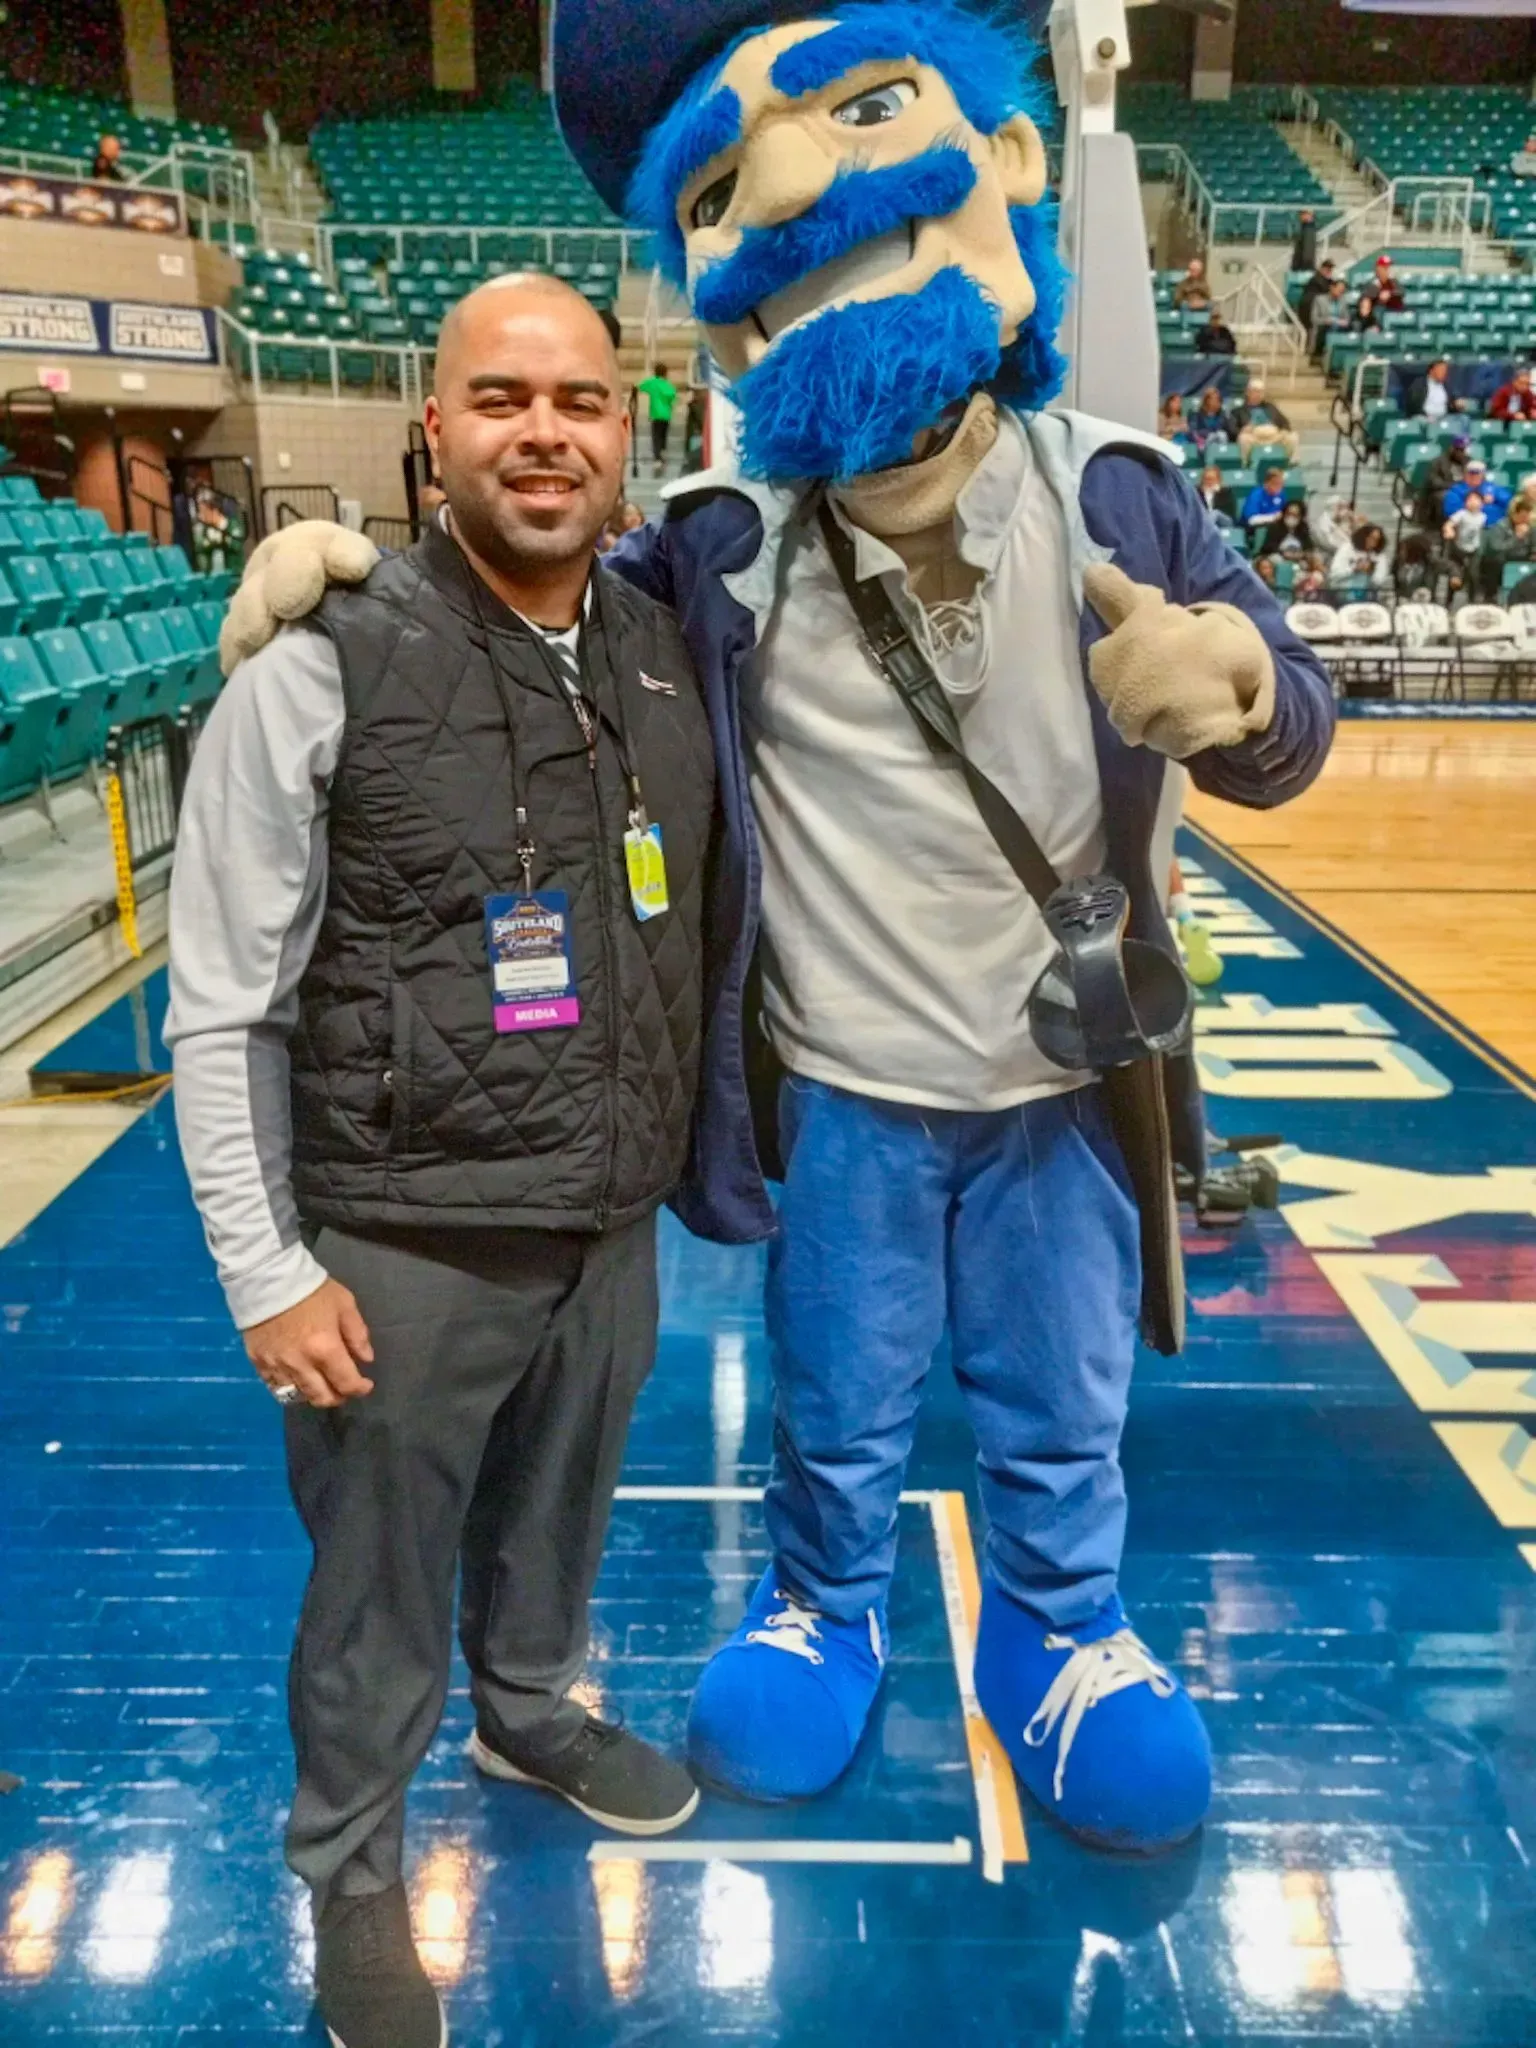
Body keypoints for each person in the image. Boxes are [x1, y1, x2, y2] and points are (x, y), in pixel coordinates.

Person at [223, 0, 1337, 1870]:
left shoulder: (1119, 487)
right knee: (840, 1405)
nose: (800, 204)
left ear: (1001, 164)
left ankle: (1061, 1635)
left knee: (1062, 1400)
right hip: (848, 1099)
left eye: (863, 122)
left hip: (1068, 1090)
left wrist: (1241, 694)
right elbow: (528, 596)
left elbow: (1286, 715)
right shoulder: (721, 547)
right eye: (738, 192)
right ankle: (826, 1604)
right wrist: (352, 581)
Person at [167, 276, 717, 2048]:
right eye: (499, 398)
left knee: (553, 1525)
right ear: (433, 428)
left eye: (577, 399)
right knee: (372, 1592)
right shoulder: (317, 666)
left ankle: (531, 1707)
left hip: (606, 1217)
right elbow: (221, 1002)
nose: (541, 431)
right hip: (399, 1239)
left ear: (626, 431)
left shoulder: (658, 647)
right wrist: (268, 1264)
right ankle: (348, 1860)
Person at [1230, 377, 1298, 463]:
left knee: (1292, 437)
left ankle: (1287, 463)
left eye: (1261, 392)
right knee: (1243, 438)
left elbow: (1285, 422)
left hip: (1274, 436)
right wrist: (1242, 430)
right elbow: (1232, 429)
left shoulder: (1270, 407)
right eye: (1256, 391)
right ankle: (1245, 465)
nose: (1258, 394)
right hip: (1254, 437)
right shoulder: (1238, 411)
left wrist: (1284, 430)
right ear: (1248, 392)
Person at [1444, 455, 1511, 525]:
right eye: (1471, 472)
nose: (1474, 476)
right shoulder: (1456, 490)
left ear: (1483, 475)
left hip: (1495, 527)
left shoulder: (1492, 487)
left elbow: (1508, 501)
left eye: (1477, 473)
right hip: (1468, 527)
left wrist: (1494, 498)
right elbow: (1450, 510)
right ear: (1465, 474)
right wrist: (1473, 504)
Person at [636, 360, 679, 469]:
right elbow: (674, 399)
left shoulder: (652, 383)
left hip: (655, 415)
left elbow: (639, 386)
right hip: (666, 415)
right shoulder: (668, 386)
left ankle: (657, 458)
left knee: (656, 437)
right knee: (663, 435)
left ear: (655, 372)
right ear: (665, 373)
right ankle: (663, 451)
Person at [1241, 464, 1289, 537]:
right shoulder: (1256, 495)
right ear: (1267, 483)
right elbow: (1252, 520)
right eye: (1276, 484)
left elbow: (1285, 511)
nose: (1280, 487)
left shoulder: (1280, 494)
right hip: (1254, 531)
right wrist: (1273, 518)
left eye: (1281, 483)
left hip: (1274, 528)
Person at [1406, 356, 1454, 423]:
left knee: (1463, 419)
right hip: (1424, 417)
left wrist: (1455, 405)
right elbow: (1413, 405)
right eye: (1442, 370)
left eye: (1445, 370)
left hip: (1443, 417)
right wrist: (1426, 415)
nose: (1444, 373)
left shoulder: (1446, 386)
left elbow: (1450, 405)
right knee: (1419, 420)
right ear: (1431, 370)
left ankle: (1464, 434)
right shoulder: (1419, 384)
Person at [1188, 383, 1234, 452]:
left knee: (1221, 434)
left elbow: (1228, 430)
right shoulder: (1196, 413)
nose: (1216, 401)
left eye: (1218, 399)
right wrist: (1207, 434)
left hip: (1219, 439)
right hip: (1203, 439)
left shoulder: (1222, 414)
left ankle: (1221, 456)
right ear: (1207, 400)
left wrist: (1227, 415)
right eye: (1213, 399)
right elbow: (1193, 430)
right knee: (1212, 436)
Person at [1194, 461, 1240, 528]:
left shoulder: (1225, 491)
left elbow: (1230, 512)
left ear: (1218, 480)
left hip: (1225, 520)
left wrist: (1217, 493)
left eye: (1212, 479)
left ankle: (1206, 530)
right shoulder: (1197, 492)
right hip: (1203, 521)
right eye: (1207, 479)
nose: (1209, 482)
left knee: (1215, 513)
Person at [1296, 258, 1336, 333]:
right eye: (1327, 269)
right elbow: (1326, 291)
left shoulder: (1326, 280)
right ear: (1322, 268)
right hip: (1309, 311)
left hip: (1313, 310)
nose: (1329, 271)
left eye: (1330, 269)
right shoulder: (1316, 280)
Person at [1290, 208, 1318, 275]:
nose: (1301, 216)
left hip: (1304, 268)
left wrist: (1304, 267)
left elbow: (1308, 250)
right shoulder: (1305, 228)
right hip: (1301, 267)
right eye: (1301, 214)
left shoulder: (1309, 229)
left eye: (1304, 213)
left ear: (1310, 215)